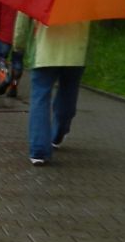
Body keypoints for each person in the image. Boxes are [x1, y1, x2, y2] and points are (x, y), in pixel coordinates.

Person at [13, 14, 90, 166]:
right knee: (68, 94)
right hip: (76, 52)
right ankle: (58, 133)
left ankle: (39, 151)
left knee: (40, 99)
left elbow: (22, 19)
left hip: (45, 51)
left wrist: (18, 45)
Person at [0, 0, 23, 97]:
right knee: (17, 64)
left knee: (0, 60)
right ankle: (14, 86)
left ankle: (5, 78)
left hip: (5, 34)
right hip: (20, 36)